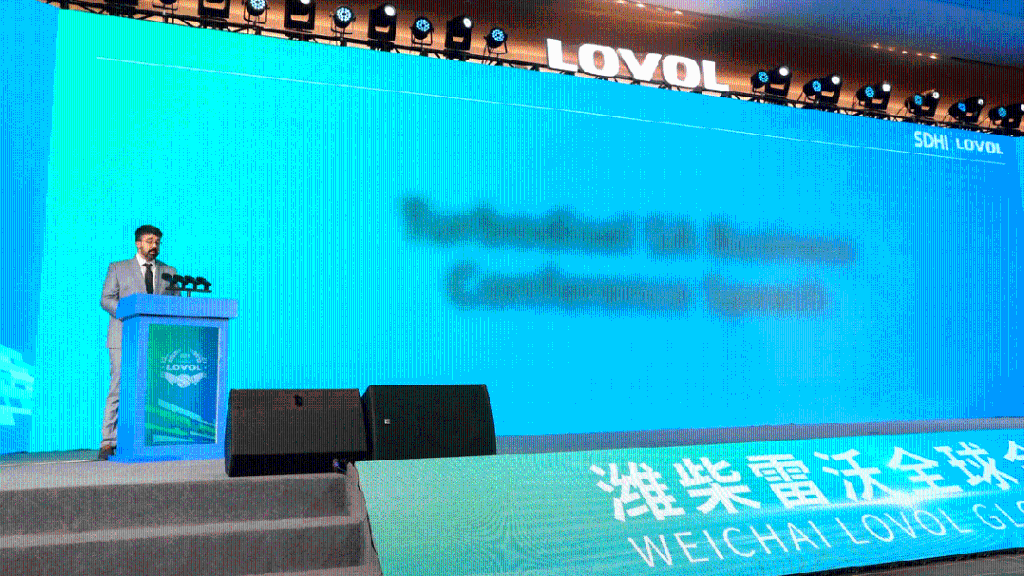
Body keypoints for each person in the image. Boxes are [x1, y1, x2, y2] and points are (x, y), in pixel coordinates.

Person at [98, 225, 178, 460]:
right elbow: (106, 299)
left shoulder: (169, 271)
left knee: (155, 387)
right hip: (123, 336)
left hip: (156, 339)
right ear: (138, 243)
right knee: (119, 386)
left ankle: (152, 438)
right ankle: (108, 441)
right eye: (150, 241)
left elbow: (175, 303)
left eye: (158, 242)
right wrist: (130, 314)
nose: (154, 246)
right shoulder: (118, 268)